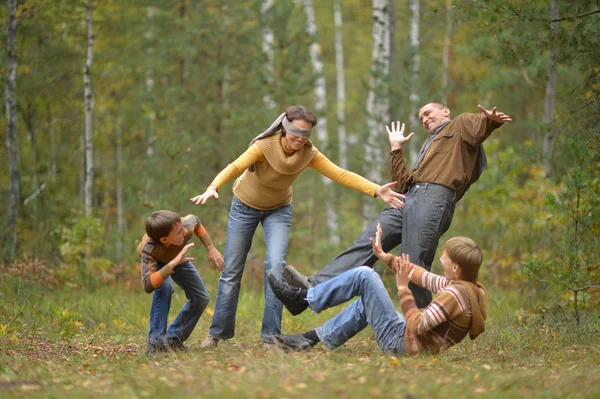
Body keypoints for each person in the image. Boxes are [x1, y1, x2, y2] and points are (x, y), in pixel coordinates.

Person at [190, 105, 406, 347]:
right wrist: (213, 186)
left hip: (279, 210)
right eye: (296, 133)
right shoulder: (264, 147)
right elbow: (235, 167)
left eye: (306, 135)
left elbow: (341, 174)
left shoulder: (309, 154)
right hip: (244, 207)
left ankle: (270, 337)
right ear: (285, 128)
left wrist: (376, 190)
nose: (300, 139)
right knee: (231, 271)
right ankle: (217, 333)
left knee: (275, 268)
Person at [285, 103, 512, 307]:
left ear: (445, 112)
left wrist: (491, 121)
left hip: (433, 198)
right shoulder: (430, 144)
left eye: (427, 113)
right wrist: (395, 149)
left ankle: (423, 327)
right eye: (421, 117)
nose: (424, 119)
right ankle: (311, 289)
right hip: (408, 198)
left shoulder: (460, 125)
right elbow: (402, 184)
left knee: (412, 262)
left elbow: (479, 128)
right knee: (368, 242)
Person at [267, 223, 488, 355]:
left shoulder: (452, 295)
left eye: (445, 257)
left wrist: (403, 289)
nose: (441, 258)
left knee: (365, 275)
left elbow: (418, 324)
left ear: (456, 267)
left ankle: (303, 299)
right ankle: (307, 339)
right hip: (413, 341)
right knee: (367, 302)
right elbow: (425, 277)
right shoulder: (470, 289)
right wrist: (384, 256)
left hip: (403, 345)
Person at [137, 210, 224, 354]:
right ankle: (156, 345)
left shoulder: (185, 226)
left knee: (201, 298)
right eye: (179, 232)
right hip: (160, 263)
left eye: (183, 227)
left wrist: (210, 247)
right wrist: (171, 265)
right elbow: (148, 285)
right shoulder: (149, 248)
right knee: (165, 289)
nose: (184, 231)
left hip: (178, 257)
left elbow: (196, 222)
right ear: (164, 239)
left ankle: (173, 340)